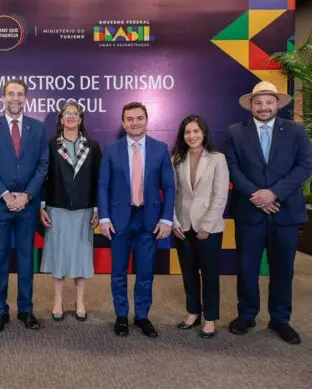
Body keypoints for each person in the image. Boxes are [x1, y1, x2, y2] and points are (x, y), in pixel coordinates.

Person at [224, 81, 312, 345]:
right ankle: (247, 314)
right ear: (251, 105)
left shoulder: (296, 131)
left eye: (269, 102)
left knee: (283, 269)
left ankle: (280, 319)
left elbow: (305, 165)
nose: (264, 107)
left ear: (278, 104)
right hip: (249, 212)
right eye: (258, 102)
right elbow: (232, 167)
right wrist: (256, 195)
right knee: (247, 267)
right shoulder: (235, 132)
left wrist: (274, 193)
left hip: (285, 212)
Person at [98, 101, 174, 338]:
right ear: (123, 123)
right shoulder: (111, 149)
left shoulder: (160, 149)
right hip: (119, 219)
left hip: (149, 219)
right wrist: (104, 217)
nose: (135, 123)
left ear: (147, 120)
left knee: (145, 271)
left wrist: (167, 219)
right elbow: (103, 185)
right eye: (129, 119)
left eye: (139, 118)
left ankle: (142, 316)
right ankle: (121, 316)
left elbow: (169, 187)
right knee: (118, 272)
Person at [0, 78, 48, 332]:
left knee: (25, 259)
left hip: (27, 206)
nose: (15, 98)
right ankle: (0, 312)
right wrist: (6, 195)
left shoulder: (38, 128)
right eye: (11, 94)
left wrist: (26, 196)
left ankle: (26, 310)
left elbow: (43, 165)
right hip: (0, 205)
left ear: (26, 98)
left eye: (20, 94)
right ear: (3, 98)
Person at [40, 101, 101, 322]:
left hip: (84, 209)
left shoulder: (93, 146)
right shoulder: (50, 144)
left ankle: (80, 301)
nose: (71, 117)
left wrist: (97, 208)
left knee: (81, 256)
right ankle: (57, 300)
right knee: (59, 255)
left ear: (81, 119)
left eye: (75, 113)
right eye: (67, 113)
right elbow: (43, 177)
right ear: (61, 118)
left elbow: (98, 179)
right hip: (57, 208)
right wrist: (42, 206)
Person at [171, 115, 229, 339]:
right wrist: (174, 221)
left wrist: (207, 224)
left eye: (196, 131)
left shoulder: (217, 158)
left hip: (209, 227)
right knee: (188, 272)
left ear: (204, 133)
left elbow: (220, 195)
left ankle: (210, 318)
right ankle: (193, 312)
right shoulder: (177, 159)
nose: (191, 136)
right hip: (182, 225)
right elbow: (173, 193)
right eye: (187, 132)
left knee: (210, 274)